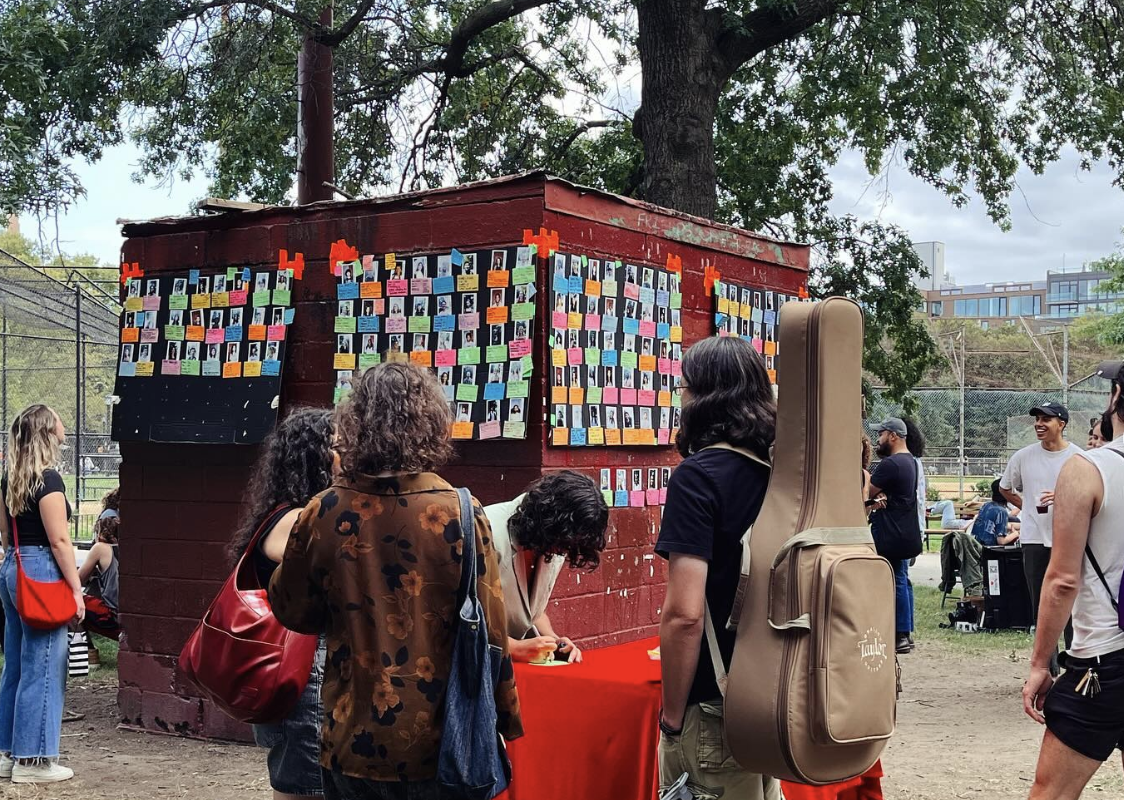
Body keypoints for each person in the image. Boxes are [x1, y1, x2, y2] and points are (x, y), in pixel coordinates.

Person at [268, 363, 522, 798]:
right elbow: (492, 632)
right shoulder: (463, 513)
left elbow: (292, 610)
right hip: (444, 743)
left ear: (355, 424)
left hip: (353, 736)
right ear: (431, 425)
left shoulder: (325, 510)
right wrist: (502, 715)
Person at [655, 336, 780, 800]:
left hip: (713, 703)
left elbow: (685, 615)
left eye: (685, 388)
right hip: (775, 696)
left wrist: (672, 716)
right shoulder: (783, 474)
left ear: (702, 398)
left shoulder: (698, 476)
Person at [1022, 361, 1124, 799]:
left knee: (1052, 793)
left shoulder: (1089, 468)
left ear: (1116, 397)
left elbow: (1062, 579)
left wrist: (1041, 664)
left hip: (1103, 659)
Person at [228, 409, 335, 800]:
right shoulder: (296, 519)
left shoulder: (285, 511)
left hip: (296, 674)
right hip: (302, 674)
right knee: (306, 786)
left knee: (294, 784)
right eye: (338, 446)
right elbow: (288, 558)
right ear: (318, 457)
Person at [0, 404, 83, 784]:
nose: (65, 425)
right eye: (59, 419)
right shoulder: (49, 480)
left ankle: (7, 752)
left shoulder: (10, 479)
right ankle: (34, 761)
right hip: (42, 570)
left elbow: (5, 536)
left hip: (13, 566)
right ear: (49, 432)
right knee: (45, 663)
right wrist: (77, 590)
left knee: (16, 663)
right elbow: (60, 540)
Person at [484, 471, 609, 664]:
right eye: (564, 542)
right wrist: (514, 648)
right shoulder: (486, 530)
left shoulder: (554, 539)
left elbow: (531, 610)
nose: (562, 550)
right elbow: (455, 617)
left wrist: (553, 641)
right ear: (548, 522)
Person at [1000, 401, 1078, 672]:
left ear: (1062, 424)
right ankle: (1047, 665)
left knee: (1070, 599)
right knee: (1041, 600)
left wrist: (1064, 497)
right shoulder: (1023, 457)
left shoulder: (1077, 458)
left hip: (1068, 536)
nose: (1039, 424)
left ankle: (1075, 662)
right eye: (1037, 419)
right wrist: (1028, 508)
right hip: (1034, 537)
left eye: (1046, 419)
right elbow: (1005, 488)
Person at [867, 418, 921, 655]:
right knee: (902, 578)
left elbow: (866, 491)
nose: (878, 439)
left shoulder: (891, 464)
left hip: (891, 532)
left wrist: (864, 477)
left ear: (893, 436)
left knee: (895, 579)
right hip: (906, 530)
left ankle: (899, 634)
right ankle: (906, 632)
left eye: (881, 434)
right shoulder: (911, 462)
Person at [79, 489, 122, 648]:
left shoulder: (101, 548)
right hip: (133, 619)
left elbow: (77, 581)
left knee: (69, 599)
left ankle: (87, 650)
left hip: (113, 619)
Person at [972, 480, 1019, 548]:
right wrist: (1016, 534)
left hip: (976, 546)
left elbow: (997, 525)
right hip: (988, 550)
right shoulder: (1001, 511)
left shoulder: (986, 505)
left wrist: (1023, 526)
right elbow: (1001, 541)